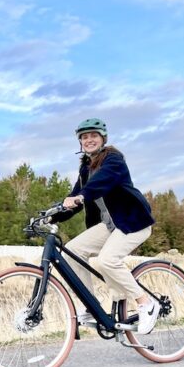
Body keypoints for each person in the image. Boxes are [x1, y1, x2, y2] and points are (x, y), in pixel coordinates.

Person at [50, 118, 158, 334]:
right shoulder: (86, 168)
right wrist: (52, 215)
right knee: (72, 252)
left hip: (132, 221)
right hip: (111, 225)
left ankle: (146, 303)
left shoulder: (114, 159)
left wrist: (81, 196)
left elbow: (99, 185)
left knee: (108, 260)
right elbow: (74, 199)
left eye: (93, 135)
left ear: (103, 138)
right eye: (84, 137)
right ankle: (91, 308)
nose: (88, 140)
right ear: (80, 142)